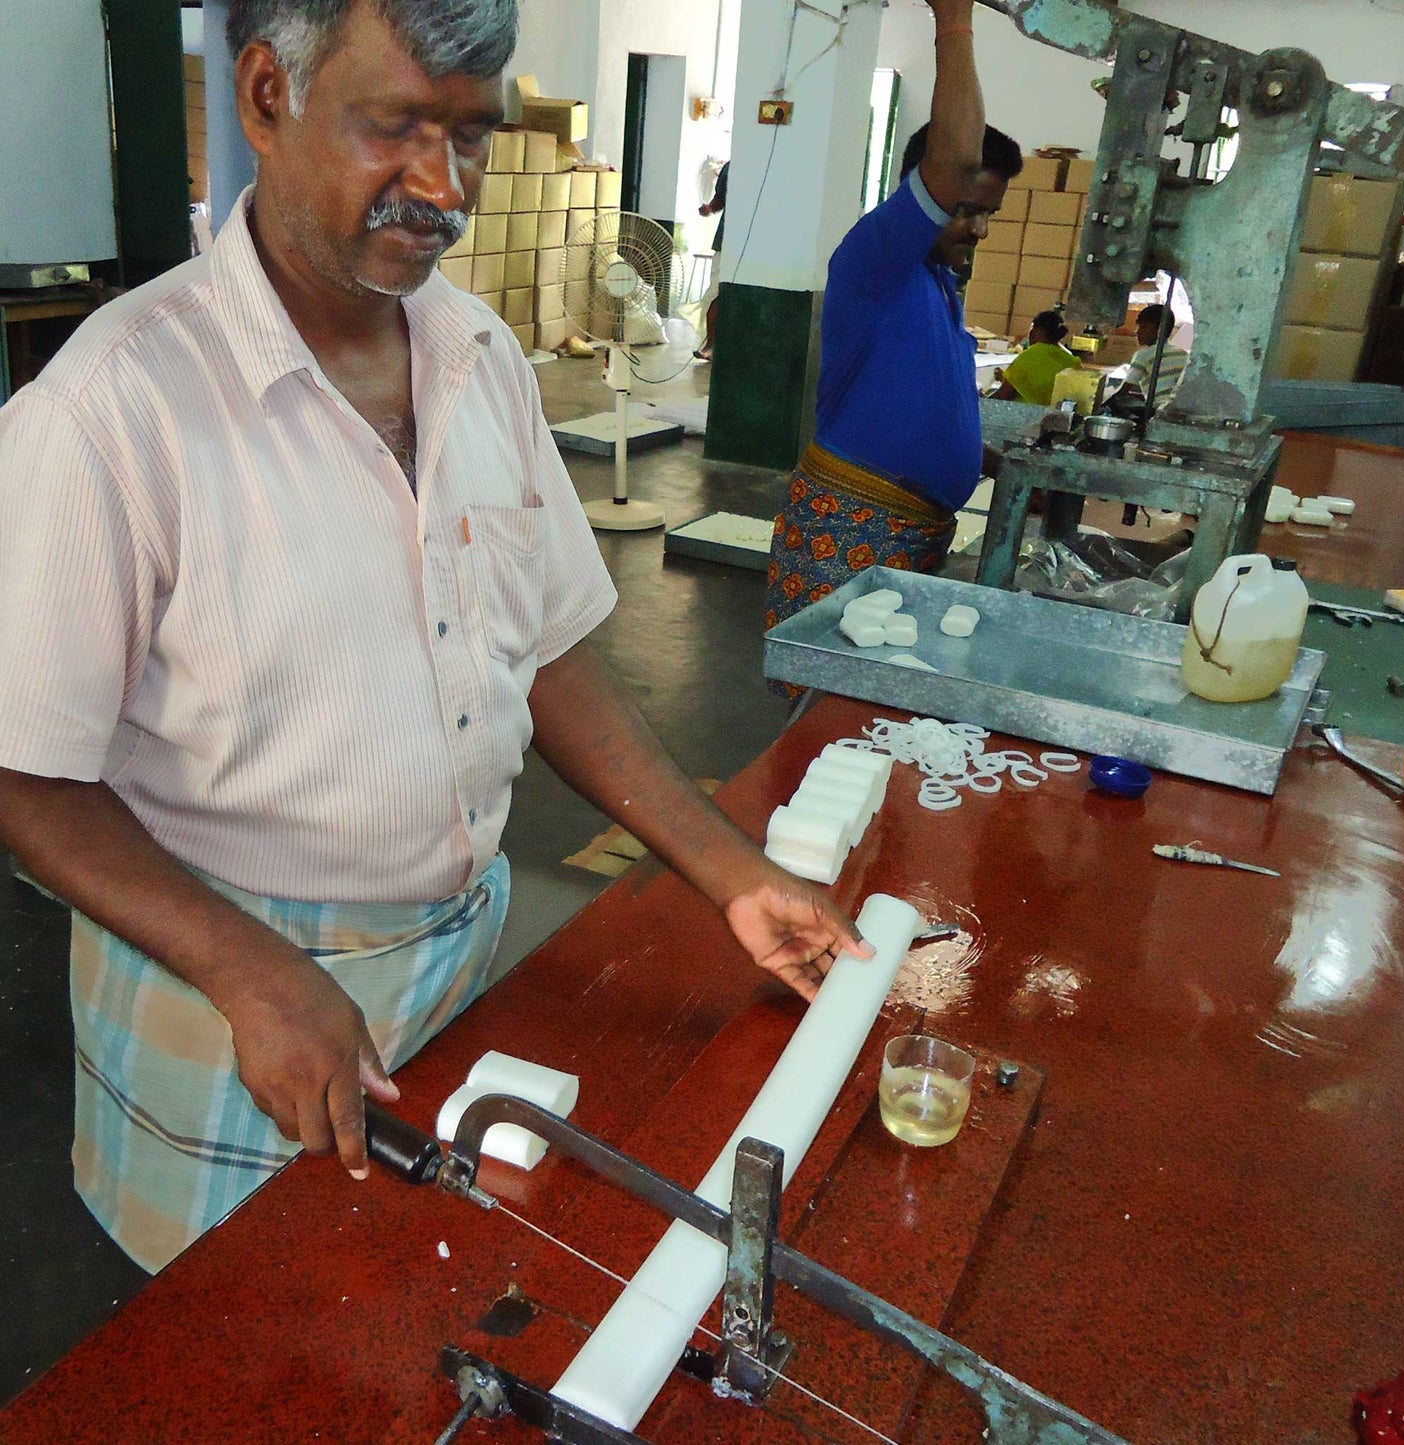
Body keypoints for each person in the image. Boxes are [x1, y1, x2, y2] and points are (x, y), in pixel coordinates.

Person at [0, 0, 867, 1275]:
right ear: (266, 96)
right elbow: (25, 773)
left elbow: (548, 655)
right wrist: (248, 969)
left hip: (455, 962)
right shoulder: (112, 407)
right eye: (396, 126)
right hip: (222, 990)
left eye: (470, 135)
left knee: (411, 1303)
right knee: (226, 1323)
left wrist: (734, 875)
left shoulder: (480, 358)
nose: (444, 186)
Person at [765, 0, 1022, 678]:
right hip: (853, 526)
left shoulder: (937, 284)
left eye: (989, 214)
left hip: (914, 533)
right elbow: (956, 157)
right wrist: (954, 21)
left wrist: (995, 462)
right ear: (923, 190)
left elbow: (913, 400)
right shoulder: (875, 259)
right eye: (966, 210)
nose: (979, 229)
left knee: (880, 697)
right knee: (828, 691)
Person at [992, 310, 1082, 405]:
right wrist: (1005, 379)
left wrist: (983, 400)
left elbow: (1003, 395)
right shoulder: (1071, 360)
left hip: (1027, 412)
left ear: (1038, 331)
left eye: (1031, 328)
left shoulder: (1029, 357)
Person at [1119, 302, 1189, 404]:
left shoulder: (1144, 355)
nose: (1137, 332)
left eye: (1144, 327)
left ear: (1160, 329)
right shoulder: (1183, 353)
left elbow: (1124, 390)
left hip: (1159, 408)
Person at [695, 160, 728, 361]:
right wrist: (709, 209)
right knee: (715, 294)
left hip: (755, 248)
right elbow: (720, 200)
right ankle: (710, 345)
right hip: (725, 242)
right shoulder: (730, 168)